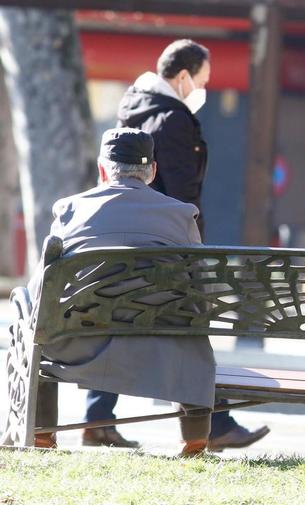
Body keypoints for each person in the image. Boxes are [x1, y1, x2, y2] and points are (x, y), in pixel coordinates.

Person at [84, 40, 265, 450]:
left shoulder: (134, 105)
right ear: (183, 76)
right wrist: (191, 241)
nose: (204, 87)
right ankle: (213, 426)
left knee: (120, 322)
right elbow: (185, 192)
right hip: (164, 249)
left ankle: (97, 419)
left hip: (118, 259)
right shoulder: (173, 118)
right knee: (192, 328)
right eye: (202, 79)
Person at [30, 128, 218, 455]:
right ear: (152, 171)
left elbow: (42, 290)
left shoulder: (69, 210)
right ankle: (195, 440)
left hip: (77, 346)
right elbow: (200, 290)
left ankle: (43, 437)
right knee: (192, 338)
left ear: (103, 168)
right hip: (163, 348)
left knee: (38, 333)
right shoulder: (180, 214)